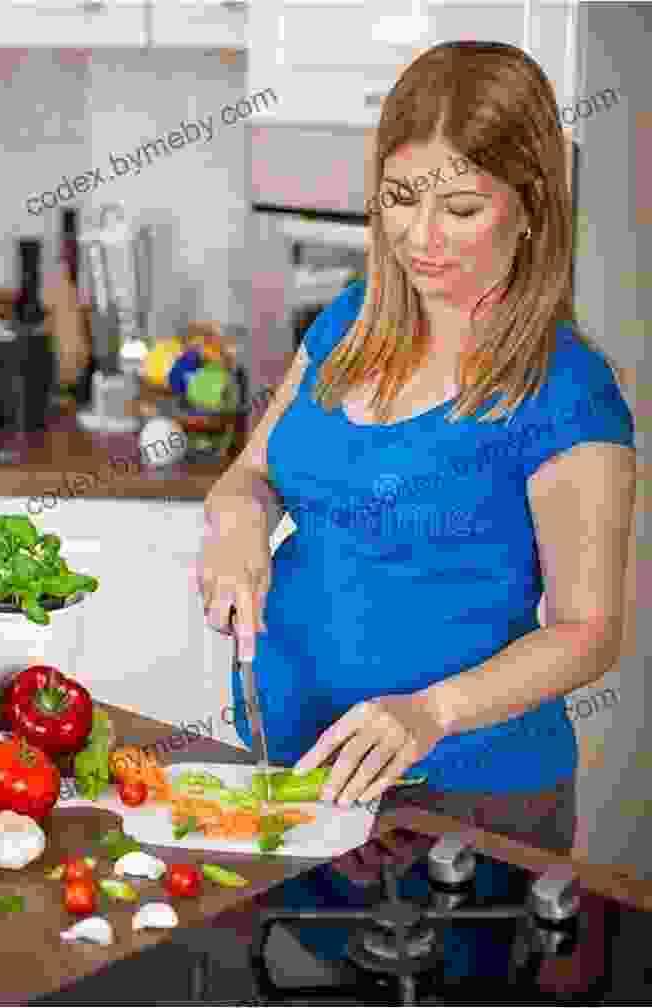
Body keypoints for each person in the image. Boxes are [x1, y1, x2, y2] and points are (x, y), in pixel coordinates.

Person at [193, 41, 636, 858]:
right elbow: (255, 472)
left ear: (530, 204)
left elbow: (588, 631)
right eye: (399, 199)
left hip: (460, 800)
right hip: (285, 765)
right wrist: (235, 517)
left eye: (461, 209)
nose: (421, 237)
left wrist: (429, 712)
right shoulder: (352, 319)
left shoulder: (568, 391)